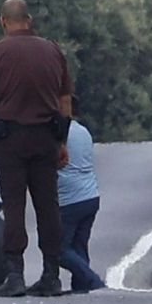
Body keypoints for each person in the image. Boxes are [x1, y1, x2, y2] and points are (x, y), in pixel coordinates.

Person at [0, 0, 73, 297]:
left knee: (14, 206)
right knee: (48, 205)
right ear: (30, 19)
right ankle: (51, 274)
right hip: (46, 137)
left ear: (3, 22)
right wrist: (62, 141)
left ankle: (15, 274)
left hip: (9, 139)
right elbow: (65, 102)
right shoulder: (52, 50)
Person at [59, 95, 105, 292]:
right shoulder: (83, 132)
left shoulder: (61, 134)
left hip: (69, 198)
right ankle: (81, 289)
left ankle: (93, 281)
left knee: (58, 249)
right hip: (90, 196)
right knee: (79, 246)